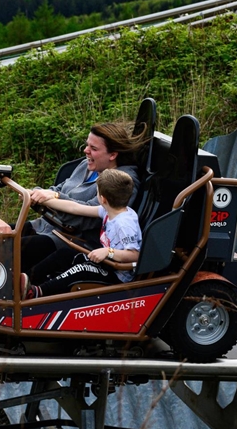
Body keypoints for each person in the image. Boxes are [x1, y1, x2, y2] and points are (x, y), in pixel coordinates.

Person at [22, 120, 146, 278]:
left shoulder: (122, 183)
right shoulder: (87, 165)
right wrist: (39, 193)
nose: (86, 151)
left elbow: (86, 218)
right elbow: (60, 188)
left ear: (113, 155)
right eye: (87, 145)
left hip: (74, 240)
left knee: (12, 248)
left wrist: (52, 199)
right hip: (47, 225)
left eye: (93, 148)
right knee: (0, 234)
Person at [22, 169, 142, 298]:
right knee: (64, 254)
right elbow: (75, 208)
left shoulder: (124, 224)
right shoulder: (108, 210)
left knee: (80, 269)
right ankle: (24, 280)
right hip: (105, 263)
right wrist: (40, 199)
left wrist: (109, 252)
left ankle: (36, 292)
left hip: (116, 275)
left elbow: (135, 255)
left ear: (102, 198)